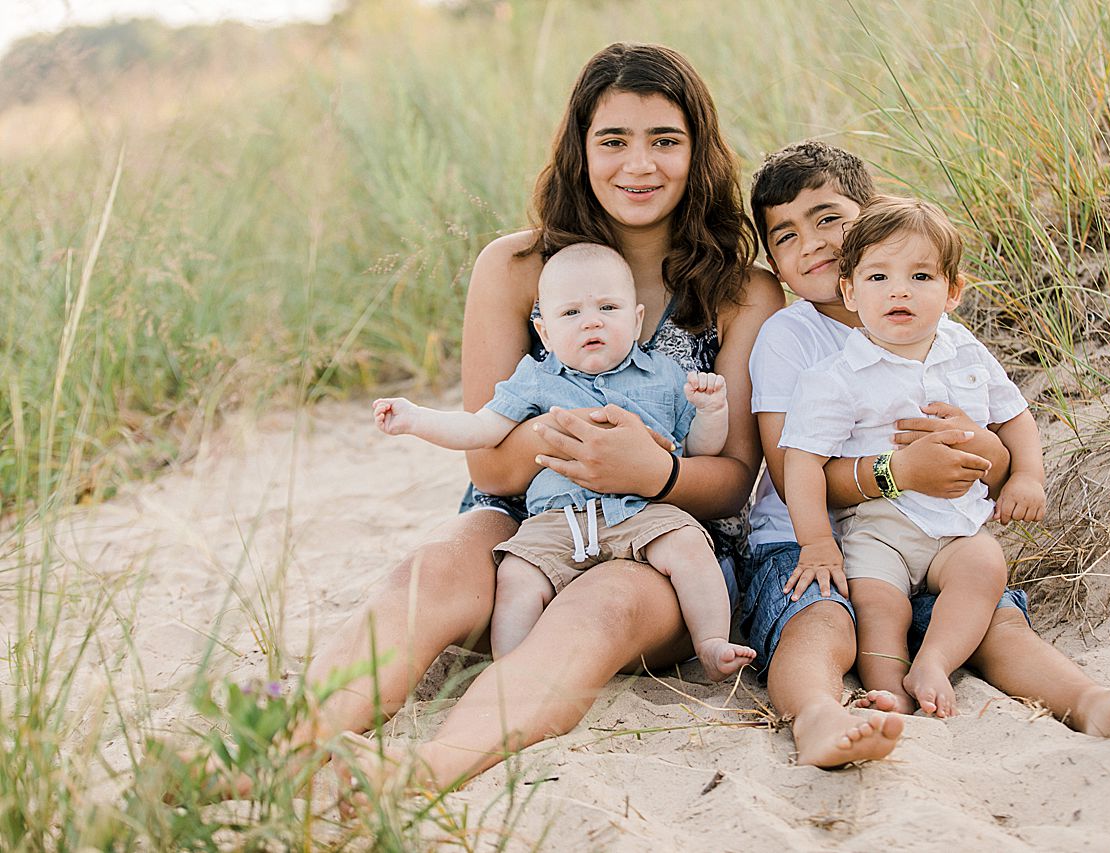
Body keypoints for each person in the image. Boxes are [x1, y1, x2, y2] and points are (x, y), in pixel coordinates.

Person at [279, 41, 829, 796]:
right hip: (525, 525)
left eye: (665, 141)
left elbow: (734, 480)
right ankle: (277, 748)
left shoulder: (744, 292)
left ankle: (425, 768)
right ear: (579, 149)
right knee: (432, 567)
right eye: (613, 141)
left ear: (697, 152)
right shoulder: (514, 268)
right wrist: (551, 440)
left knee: (599, 602)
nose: (639, 165)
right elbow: (491, 467)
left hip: (664, 545)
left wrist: (655, 470)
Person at [739, 140, 1110, 767]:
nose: (809, 243)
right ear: (777, 264)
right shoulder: (791, 337)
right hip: (814, 538)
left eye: (828, 219)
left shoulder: (947, 337)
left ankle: (1092, 704)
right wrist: (901, 472)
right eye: (784, 236)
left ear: (872, 215)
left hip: (942, 531)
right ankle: (819, 717)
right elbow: (793, 470)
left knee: (996, 621)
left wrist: (997, 458)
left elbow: (1002, 436)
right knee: (823, 621)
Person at [371, 243, 755, 680]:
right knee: (516, 577)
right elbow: (480, 430)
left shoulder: (666, 377)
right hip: (557, 521)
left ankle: (711, 643)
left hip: (642, 513)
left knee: (688, 545)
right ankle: (511, 669)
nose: (591, 320)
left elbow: (702, 451)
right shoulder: (534, 379)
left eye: (608, 307)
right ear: (546, 332)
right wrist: (416, 419)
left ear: (636, 320)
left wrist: (710, 411)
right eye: (570, 313)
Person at [780, 195, 1045, 719]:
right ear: (850, 292)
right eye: (878, 277)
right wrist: (816, 543)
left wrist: (1028, 477)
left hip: (957, 523)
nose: (899, 289)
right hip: (879, 526)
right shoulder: (835, 377)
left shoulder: (964, 348)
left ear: (952, 292)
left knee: (984, 567)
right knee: (879, 604)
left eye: (921, 277)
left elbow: (1014, 415)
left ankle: (934, 665)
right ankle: (890, 691)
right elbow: (802, 462)